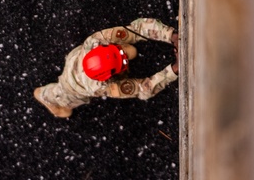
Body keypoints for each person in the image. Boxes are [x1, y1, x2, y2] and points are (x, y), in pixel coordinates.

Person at [33, 17, 179, 118]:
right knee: (63, 104)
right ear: (109, 77)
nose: (124, 52)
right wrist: (173, 70)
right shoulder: (98, 87)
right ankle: (47, 99)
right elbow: (142, 89)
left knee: (133, 52)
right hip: (72, 87)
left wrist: (171, 35)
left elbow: (137, 28)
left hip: (75, 60)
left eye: (119, 51)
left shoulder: (96, 40)